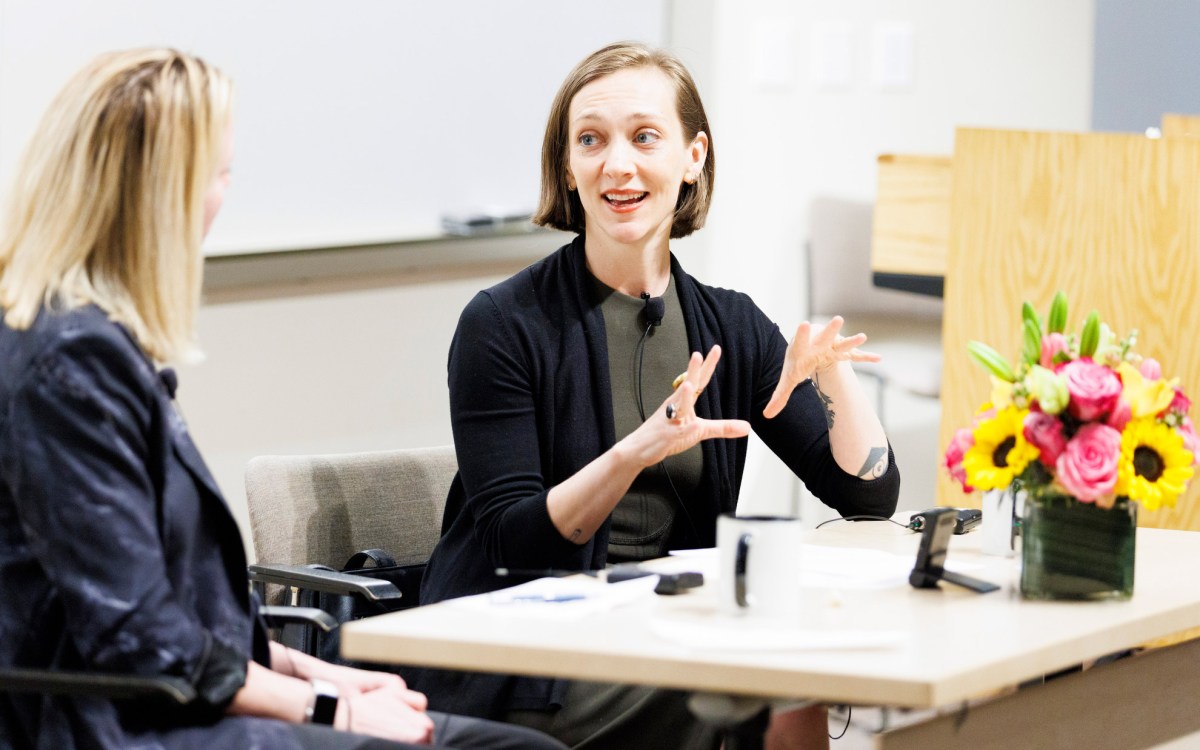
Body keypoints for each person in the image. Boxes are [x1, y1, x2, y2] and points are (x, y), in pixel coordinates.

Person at [0, 48, 565, 750]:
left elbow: (189, 618)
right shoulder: (69, 366)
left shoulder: (87, 345)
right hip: (118, 728)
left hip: (174, 705)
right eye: (218, 175)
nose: (223, 196)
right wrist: (329, 710)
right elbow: (144, 639)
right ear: (159, 197)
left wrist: (318, 675)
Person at [413, 41, 901, 750]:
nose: (617, 164)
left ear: (692, 157)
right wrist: (634, 453)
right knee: (755, 683)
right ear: (568, 167)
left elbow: (867, 494)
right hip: (527, 655)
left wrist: (834, 376)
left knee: (789, 672)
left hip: (666, 626)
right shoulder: (503, 324)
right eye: (591, 140)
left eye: (644, 137)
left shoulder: (729, 325)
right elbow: (514, 543)